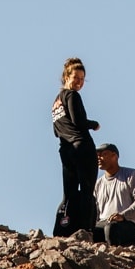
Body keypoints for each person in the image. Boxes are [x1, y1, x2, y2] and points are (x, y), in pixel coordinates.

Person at [51, 58, 100, 237]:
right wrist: (94, 124)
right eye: (76, 77)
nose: (79, 82)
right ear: (66, 77)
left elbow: (56, 131)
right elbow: (78, 121)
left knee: (69, 193)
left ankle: (64, 229)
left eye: (82, 79)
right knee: (87, 190)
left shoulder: (56, 102)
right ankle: (86, 230)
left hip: (65, 150)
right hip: (82, 147)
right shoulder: (71, 95)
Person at [91, 144, 135, 245]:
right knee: (89, 232)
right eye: (97, 155)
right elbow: (96, 211)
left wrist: (123, 215)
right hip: (104, 221)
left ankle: (115, 256)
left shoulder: (132, 175)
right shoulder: (98, 184)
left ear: (115, 156)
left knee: (111, 228)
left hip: (130, 222)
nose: (99, 158)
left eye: (103, 154)